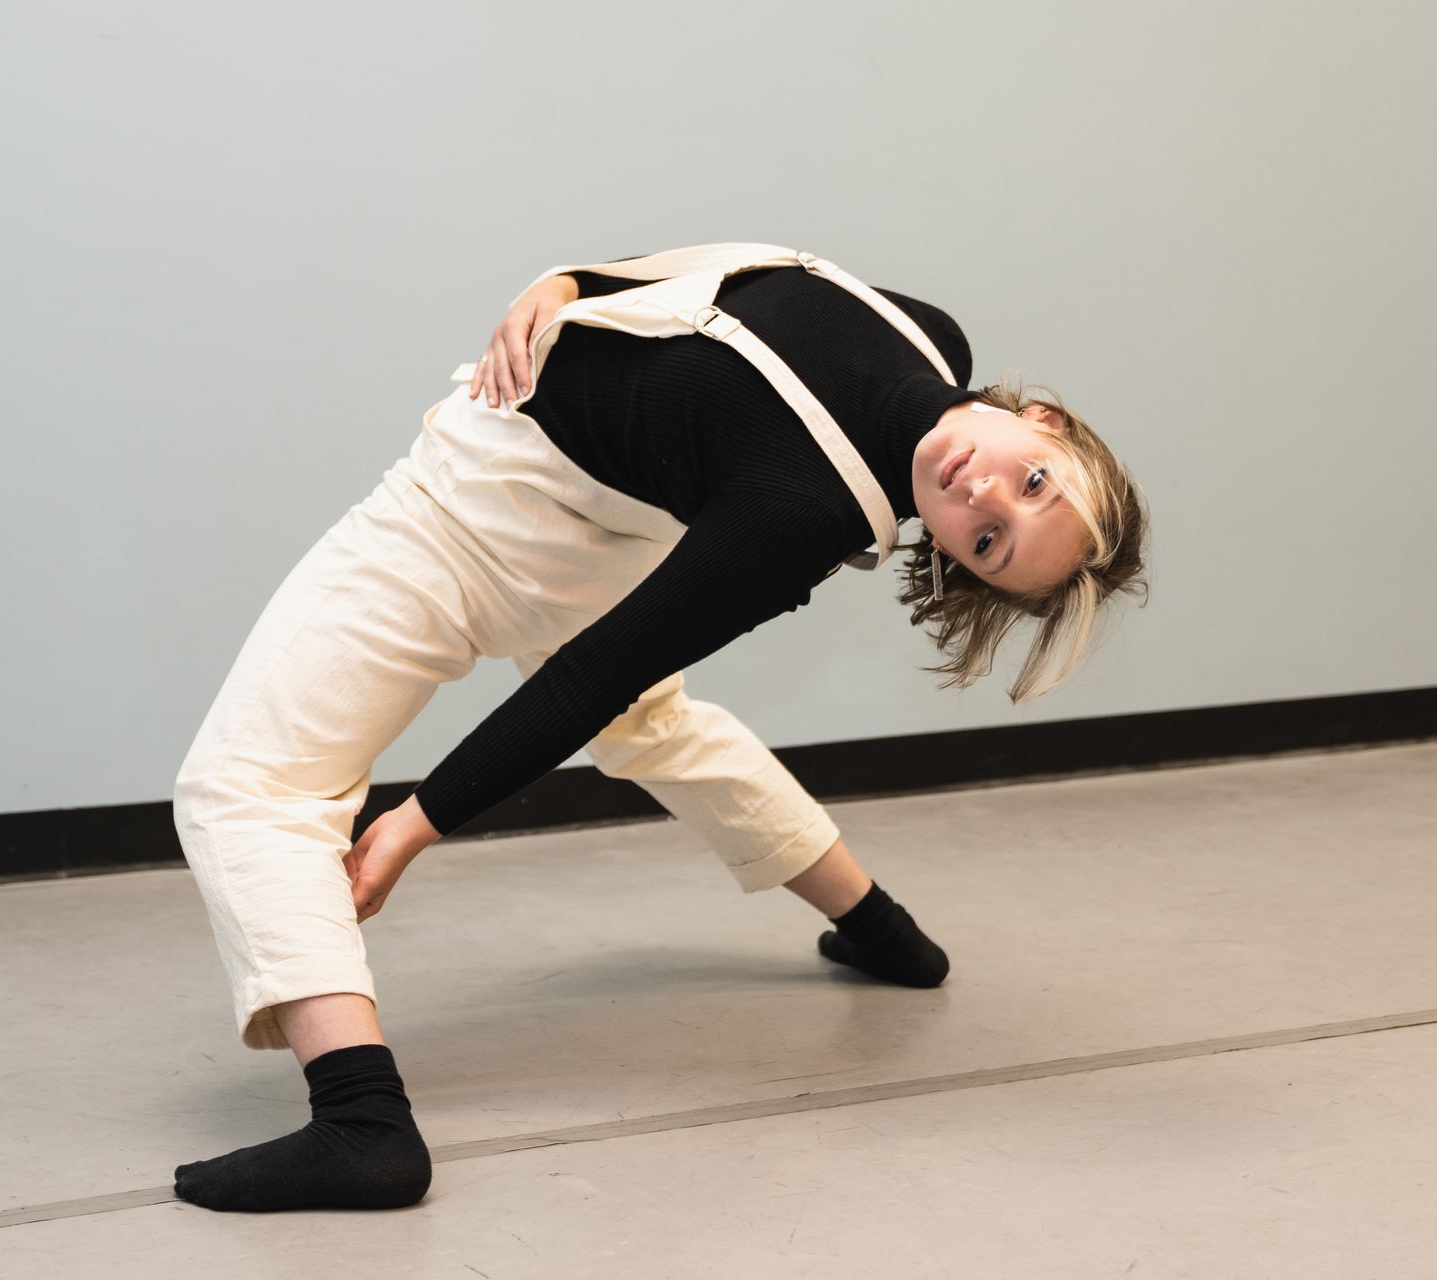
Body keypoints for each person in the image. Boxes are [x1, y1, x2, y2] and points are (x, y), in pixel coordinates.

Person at [169, 247, 1150, 1213]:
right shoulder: (927, 333)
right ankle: (884, 932)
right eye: (1033, 485)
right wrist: (561, 285)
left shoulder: (796, 514)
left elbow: (592, 676)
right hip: (592, 529)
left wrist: (415, 821)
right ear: (1045, 422)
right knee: (661, 728)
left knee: (247, 786)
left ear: (950, 559)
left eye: (989, 547)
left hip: (468, 517)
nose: (983, 499)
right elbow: (711, 284)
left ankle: (362, 1124)